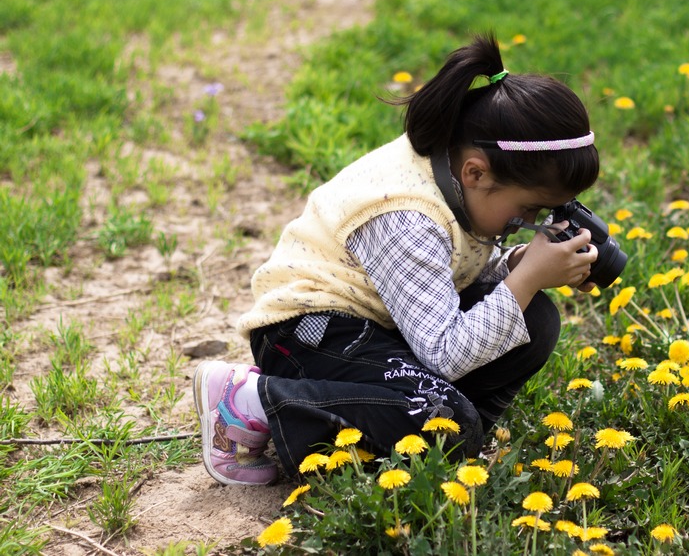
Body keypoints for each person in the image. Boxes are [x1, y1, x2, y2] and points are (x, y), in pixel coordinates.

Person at [193, 33, 601, 486]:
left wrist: (519, 264)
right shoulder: (406, 214)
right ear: (476, 172)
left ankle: (452, 425)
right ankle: (253, 399)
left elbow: (450, 272)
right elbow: (445, 351)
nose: (529, 222)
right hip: (310, 332)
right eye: (528, 211)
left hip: (384, 326)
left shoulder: (458, 178)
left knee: (534, 321)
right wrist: (524, 280)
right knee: (442, 425)